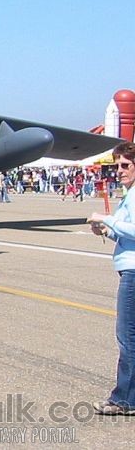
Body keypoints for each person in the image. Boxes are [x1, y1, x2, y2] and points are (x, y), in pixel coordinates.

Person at [87, 142, 135, 415]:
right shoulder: (128, 195)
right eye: (117, 165)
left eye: (125, 165)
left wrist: (108, 219)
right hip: (129, 266)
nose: (119, 170)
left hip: (133, 271)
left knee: (127, 337)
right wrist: (106, 231)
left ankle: (124, 400)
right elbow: (125, 233)